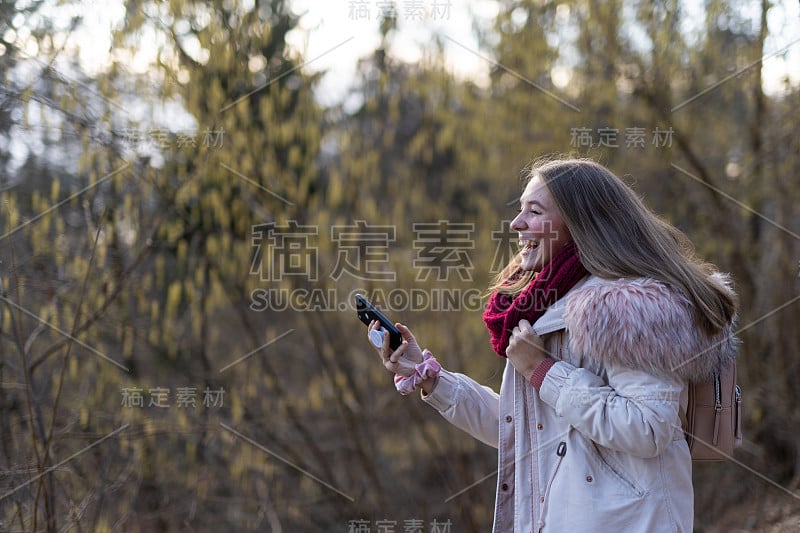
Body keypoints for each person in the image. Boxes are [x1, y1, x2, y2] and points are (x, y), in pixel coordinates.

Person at [367, 157, 739, 532]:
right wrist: (429, 377)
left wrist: (543, 371)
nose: (516, 224)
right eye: (520, 210)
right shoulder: (548, 308)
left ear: (580, 223)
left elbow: (647, 428)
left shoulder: (626, 308)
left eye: (535, 211)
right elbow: (520, 428)